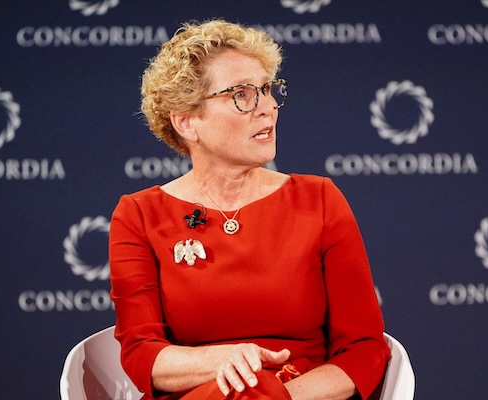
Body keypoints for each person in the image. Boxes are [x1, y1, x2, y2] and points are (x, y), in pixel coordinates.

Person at [109, 19, 390, 400]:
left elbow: (364, 350)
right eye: (241, 94)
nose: (268, 107)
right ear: (187, 122)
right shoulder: (140, 215)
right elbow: (143, 355)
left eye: (268, 90)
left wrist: (275, 395)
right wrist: (226, 361)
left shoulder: (319, 200)